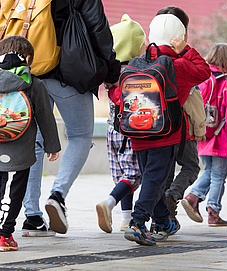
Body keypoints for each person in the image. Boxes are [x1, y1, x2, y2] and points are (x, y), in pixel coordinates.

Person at [108, 6, 210, 245]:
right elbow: (204, 71)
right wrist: (184, 49)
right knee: (155, 181)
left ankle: (163, 221)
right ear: (180, 35)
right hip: (167, 135)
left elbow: (117, 96)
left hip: (137, 134)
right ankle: (137, 222)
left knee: (150, 178)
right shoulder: (179, 66)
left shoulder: (135, 65)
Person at [22, 0, 121, 236]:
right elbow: (98, 30)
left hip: (32, 72)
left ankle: (32, 217)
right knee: (80, 135)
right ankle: (57, 195)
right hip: (71, 73)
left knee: (33, 142)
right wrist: (112, 71)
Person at [0, 36, 61, 251]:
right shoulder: (33, 83)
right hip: (22, 149)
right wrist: (52, 146)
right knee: (15, 192)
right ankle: (5, 235)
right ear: (27, 58)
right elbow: (45, 116)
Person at [95, 14, 145, 233]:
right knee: (134, 175)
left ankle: (125, 219)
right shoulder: (135, 74)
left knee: (123, 176)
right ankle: (109, 202)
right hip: (130, 131)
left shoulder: (111, 73)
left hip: (112, 130)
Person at [181, 43, 227, 226]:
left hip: (203, 136)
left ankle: (194, 198)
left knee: (209, 171)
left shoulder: (203, 80)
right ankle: (212, 210)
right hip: (221, 139)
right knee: (219, 176)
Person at [163, 85, 206, 224]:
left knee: (166, 174)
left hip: (161, 130)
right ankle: (172, 195)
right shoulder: (186, 72)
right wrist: (200, 131)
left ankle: (163, 217)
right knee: (191, 167)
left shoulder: (156, 70)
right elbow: (195, 106)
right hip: (183, 132)